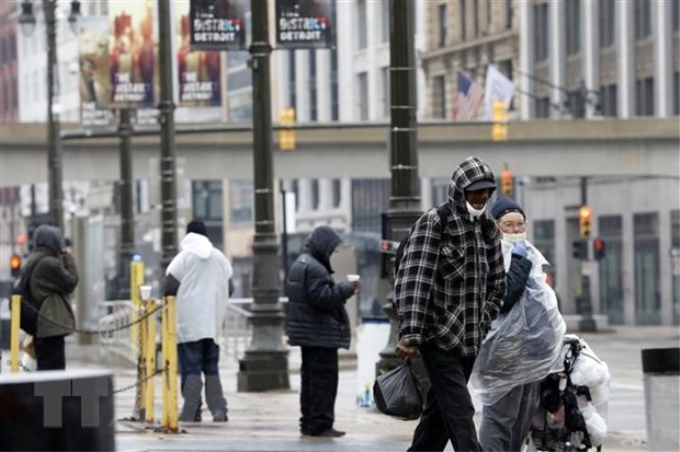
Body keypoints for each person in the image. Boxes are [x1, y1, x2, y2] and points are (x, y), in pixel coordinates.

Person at [394, 156, 506, 452]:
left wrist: (484, 321)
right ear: (459, 191)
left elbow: (497, 284)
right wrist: (412, 333)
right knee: (460, 411)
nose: (481, 197)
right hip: (437, 337)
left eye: (486, 191)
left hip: (470, 340)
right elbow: (415, 280)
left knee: (439, 416)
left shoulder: (490, 230)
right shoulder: (435, 222)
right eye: (475, 191)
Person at [476, 196, 566, 451]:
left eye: (520, 224)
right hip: (502, 355)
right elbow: (504, 298)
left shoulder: (527, 254)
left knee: (522, 419)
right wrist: (519, 263)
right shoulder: (488, 254)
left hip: (530, 354)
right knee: (499, 418)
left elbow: (541, 303)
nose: (516, 230)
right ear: (495, 227)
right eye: (508, 225)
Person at [284, 225, 359, 438]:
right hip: (320, 334)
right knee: (323, 381)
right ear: (323, 245)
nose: (331, 253)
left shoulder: (301, 263)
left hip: (309, 333)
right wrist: (347, 288)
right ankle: (320, 423)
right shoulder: (315, 268)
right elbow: (322, 298)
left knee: (310, 379)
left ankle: (308, 421)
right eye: (331, 248)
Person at [164, 220, 233, 422]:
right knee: (211, 368)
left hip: (188, 325)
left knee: (191, 368)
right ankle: (219, 410)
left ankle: (192, 411)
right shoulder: (220, 258)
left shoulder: (183, 259)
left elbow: (169, 288)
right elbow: (231, 287)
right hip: (213, 324)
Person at [26, 224, 79, 370]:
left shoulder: (34, 259)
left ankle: (48, 393)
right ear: (52, 241)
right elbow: (70, 281)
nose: (61, 244)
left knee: (46, 371)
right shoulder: (49, 263)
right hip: (50, 327)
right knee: (54, 371)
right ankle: (52, 394)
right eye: (58, 240)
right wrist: (68, 258)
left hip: (42, 326)